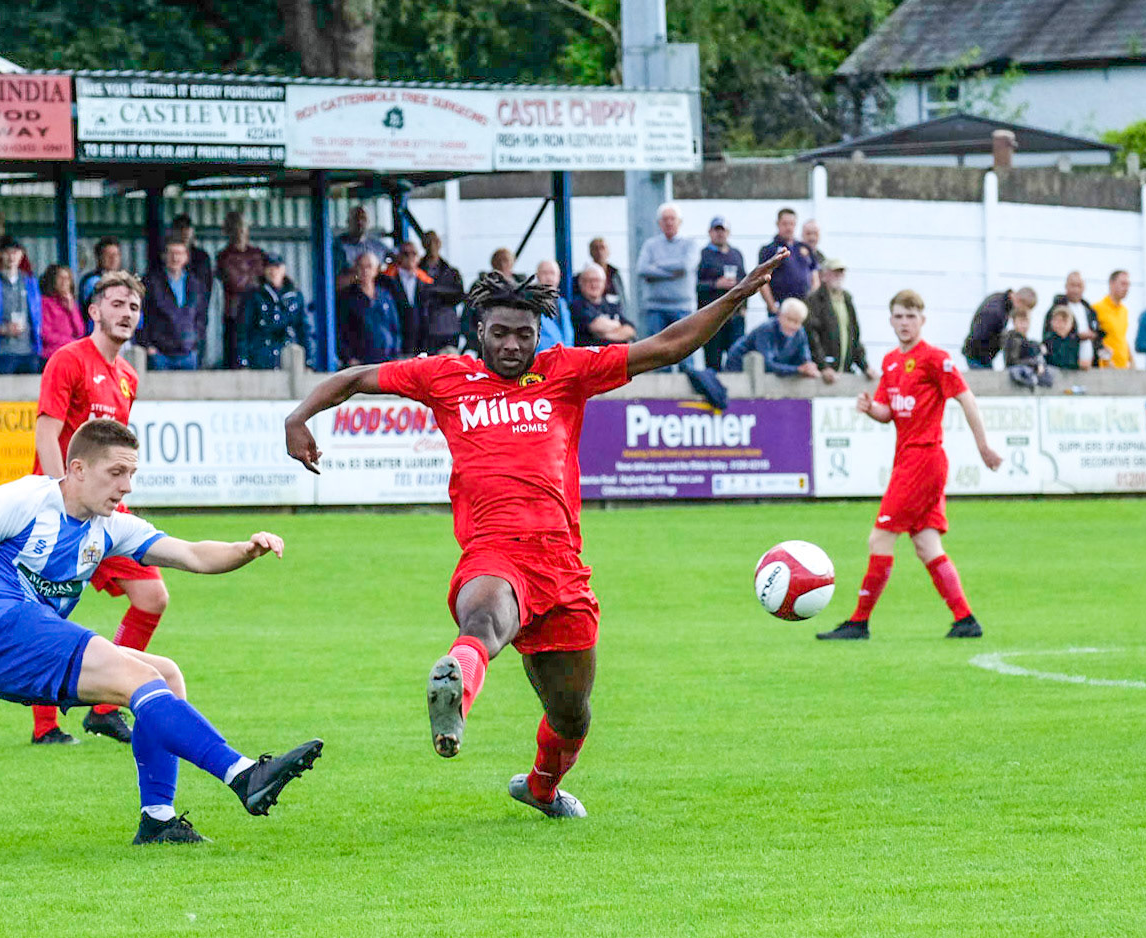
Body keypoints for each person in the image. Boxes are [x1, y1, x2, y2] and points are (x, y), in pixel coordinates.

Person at [282, 253, 788, 818]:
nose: (512, 345)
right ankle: (455, 686)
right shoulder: (445, 377)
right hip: (494, 552)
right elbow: (355, 378)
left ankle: (541, 788)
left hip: (562, 565)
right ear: (479, 330)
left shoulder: (565, 371)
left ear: (538, 335)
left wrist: (736, 296)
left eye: (524, 335)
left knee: (572, 715)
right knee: (483, 621)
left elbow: (666, 347)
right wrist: (297, 418)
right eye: (500, 333)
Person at [0, 417, 324, 846]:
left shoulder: (110, 527)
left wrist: (246, 549)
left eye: (131, 474)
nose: (126, 486)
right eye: (116, 473)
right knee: (140, 679)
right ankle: (243, 774)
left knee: (166, 675)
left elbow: (193, 555)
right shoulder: (21, 501)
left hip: (35, 646)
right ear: (77, 469)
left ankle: (157, 820)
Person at [816, 289, 1003, 642]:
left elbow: (966, 399)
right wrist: (870, 408)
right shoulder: (890, 362)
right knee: (927, 545)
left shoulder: (935, 358)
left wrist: (983, 446)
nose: (905, 323)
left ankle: (859, 622)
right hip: (907, 459)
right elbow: (888, 412)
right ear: (891, 320)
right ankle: (965, 619)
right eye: (899, 316)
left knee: (879, 538)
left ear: (922, 320)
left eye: (911, 316)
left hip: (924, 459)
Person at [28, 271, 162, 747]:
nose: (126, 313)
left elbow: (115, 452)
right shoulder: (68, 360)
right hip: (61, 507)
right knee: (49, 608)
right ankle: (45, 726)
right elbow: (47, 432)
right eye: (117, 304)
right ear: (94, 310)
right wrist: (58, 495)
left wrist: (120, 496)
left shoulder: (127, 378)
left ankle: (104, 709)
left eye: (134, 307)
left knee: (152, 597)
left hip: (104, 513)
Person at [0, 236, 42, 375]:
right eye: (7, 252)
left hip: (29, 352)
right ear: (0, 254)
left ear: (22, 255)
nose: (11, 257)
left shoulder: (30, 283)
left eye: (15, 252)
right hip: (1, 353)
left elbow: (38, 318)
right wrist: (2, 329)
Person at [141, 240, 207, 370]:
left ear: (186, 257)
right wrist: (147, 345)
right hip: (160, 354)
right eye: (171, 253)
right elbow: (141, 315)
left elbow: (201, 316)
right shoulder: (151, 283)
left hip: (188, 353)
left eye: (179, 253)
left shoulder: (195, 284)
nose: (175, 258)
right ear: (163, 256)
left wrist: (196, 342)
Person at [239, 253, 310, 369]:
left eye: (277, 267)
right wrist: (243, 362)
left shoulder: (295, 296)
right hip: (261, 357)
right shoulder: (254, 295)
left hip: (288, 355)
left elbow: (303, 329)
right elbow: (244, 329)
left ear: (283, 269)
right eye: (269, 268)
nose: (273, 272)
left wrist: (308, 362)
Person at [216, 211, 268, 368]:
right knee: (234, 359)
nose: (239, 230)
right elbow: (234, 282)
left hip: (258, 314)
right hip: (234, 315)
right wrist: (253, 281)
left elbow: (266, 281)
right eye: (235, 227)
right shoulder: (223, 256)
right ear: (227, 230)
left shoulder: (258, 254)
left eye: (242, 226)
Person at [803, 258, 870, 379]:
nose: (838, 276)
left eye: (841, 272)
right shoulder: (814, 299)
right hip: (823, 373)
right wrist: (823, 366)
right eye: (834, 272)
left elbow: (855, 335)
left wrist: (865, 367)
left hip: (845, 370)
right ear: (824, 276)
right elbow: (812, 336)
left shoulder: (847, 298)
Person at [724, 298, 823, 379]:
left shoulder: (800, 332)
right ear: (780, 315)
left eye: (797, 322)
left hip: (770, 373)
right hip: (739, 367)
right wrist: (797, 369)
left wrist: (809, 367)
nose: (793, 325)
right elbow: (767, 364)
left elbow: (804, 358)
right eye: (789, 319)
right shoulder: (766, 329)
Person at [636, 203, 693, 340]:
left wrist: (657, 265)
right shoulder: (650, 245)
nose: (669, 222)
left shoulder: (690, 244)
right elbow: (642, 269)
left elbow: (685, 266)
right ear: (659, 223)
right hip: (655, 309)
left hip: (682, 308)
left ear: (680, 221)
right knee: (655, 350)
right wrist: (673, 274)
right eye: (665, 219)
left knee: (684, 349)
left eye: (672, 218)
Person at [695, 216, 747, 369]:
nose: (720, 234)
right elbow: (694, 285)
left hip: (734, 316)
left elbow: (746, 281)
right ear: (710, 232)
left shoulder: (736, 254)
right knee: (713, 361)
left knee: (736, 360)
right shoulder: (703, 255)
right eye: (716, 230)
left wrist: (744, 307)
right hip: (712, 316)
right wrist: (715, 284)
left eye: (723, 230)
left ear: (728, 233)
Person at [335, 250, 400, 366]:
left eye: (369, 266)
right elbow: (340, 331)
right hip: (361, 363)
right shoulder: (347, 298)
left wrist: (395, 353)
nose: (365, 271)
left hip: (387, 361)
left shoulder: (385, 296)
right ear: (356, 269)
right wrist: (349, 358)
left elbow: (395, 327)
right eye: (361, 266)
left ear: (376, 270)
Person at [757, 208, 817, 315]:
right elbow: (762, 281)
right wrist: (772, 307)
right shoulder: (769, 250)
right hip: (781, 307)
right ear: (777, 224)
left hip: (804, 306)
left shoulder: (804, 248)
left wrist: (811, 303)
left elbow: (815, 278)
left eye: (792, 224)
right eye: (785, 224)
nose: (789, 228)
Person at [963, 286, 1037, 368]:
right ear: (1019, 301)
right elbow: (980, 335)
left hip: (980, 354)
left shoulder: (1000, 300)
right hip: (977, 355)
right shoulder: (996, 311)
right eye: (1023, 309)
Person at [1043, 271, 1105, 367]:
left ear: (1084, 288)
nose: (1076, 290)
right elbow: (1050, 339)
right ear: (1066, 286)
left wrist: (1100, 346)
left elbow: (1096, 335)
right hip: (1065, 366)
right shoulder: (1056, 309)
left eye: (1079, 286)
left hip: (1090, 366)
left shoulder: (1089, 310)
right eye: (1072, 285)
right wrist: (1077, 337)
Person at [419, 231, 466, 352]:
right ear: (423, 245)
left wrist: (435, 292)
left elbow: (459, 295)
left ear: (440, 244)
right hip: (426, 328)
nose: (432, 246)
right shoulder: (417, 271)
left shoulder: (451, 272)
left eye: (435, 242)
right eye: (428, 242)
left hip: (448, 327)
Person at [568, 264, 635, 346]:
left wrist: (606, 336)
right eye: (590, 280)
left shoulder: (612, 305)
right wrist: (617, 324)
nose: (594, 284)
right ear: (581, 282)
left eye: (597, 280)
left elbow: (630, 330)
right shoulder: (576, 306)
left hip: (616, 352)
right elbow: (596, 327)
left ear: (604, 283)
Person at [385, 237, 433, 352]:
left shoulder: (425, 282)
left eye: (414, 253)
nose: (410, 257)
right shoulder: (388, 281)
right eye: (406, 254)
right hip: (397, 340)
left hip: (420, 342)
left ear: (419, 257)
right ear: (399, 257)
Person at [334, 205, 390, 291]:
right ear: (348, 222)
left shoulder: (378, 246)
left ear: (368, 222)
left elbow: (397, 259)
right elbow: (336, 281)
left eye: (363, 218)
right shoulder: (338, 246)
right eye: (356, 218)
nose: (360, 222)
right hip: (349, 292)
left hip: (376, 293)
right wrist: (359, 276)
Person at [37, 265, 85, 362]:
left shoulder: (71, 302)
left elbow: (80, 332)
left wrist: (71, 310)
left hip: (70, 352)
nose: (64, 282)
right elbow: (46, 334)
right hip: (51, 354)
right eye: (60, 278)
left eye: (67, 278)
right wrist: (69, 341)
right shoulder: (45, 303)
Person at [1002, 309, 1052, 387]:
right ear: (1014, 322)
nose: (1024, 325)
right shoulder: (1013, 340)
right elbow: (1012, 362)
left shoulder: (1024, 340)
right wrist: (1035, 365)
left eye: (1027, 322)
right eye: (1021, 322)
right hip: (1015, 376)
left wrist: (1038, 346)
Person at [1094, 270, 1133, 368]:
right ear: (1111, 284)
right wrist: (1107, 360)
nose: (1126, 288)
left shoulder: (1124, 310)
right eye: (1123, 284)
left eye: (1128, 284)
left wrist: (1132, 361)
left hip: (1123, 367)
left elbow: (1122, 337)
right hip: (1106, 367)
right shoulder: (1097, 308)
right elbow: (1095, 339)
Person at [165, 214, 215, 291]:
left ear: (192, 231)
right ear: (173, 231)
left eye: (187, 228)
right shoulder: (166, 256)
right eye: (180, 228)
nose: (184, 231)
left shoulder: (202, 257)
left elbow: (208, 284)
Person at [534, 259, 574, 351]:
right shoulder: (531, 303)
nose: (549, 278)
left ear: (558, 277)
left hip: (566, 356)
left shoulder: (562, 304)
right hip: (542, 357)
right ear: (537, 276)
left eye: (552, 273)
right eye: (545, 273)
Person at [80, 236, 124, 308]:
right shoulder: (92, 281)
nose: (113, 258)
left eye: (116, 255)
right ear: (99, 257)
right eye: (108, 255)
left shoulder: (123, 279)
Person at [1042, 304, 1089, 370]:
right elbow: (1055, 361)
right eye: (1057, 321)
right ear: (1051, 322)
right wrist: (1078, 364)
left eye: (1064, 321)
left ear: (1071, 324)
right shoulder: (1048, 340)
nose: (1061, 324)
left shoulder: (1074, 340)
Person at [588, 237, 626, 306]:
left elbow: (622, 299)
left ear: (608, 251)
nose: (599, 252)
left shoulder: (614, 274)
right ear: (590, 252)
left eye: (602, 248)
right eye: (596, 248)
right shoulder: (585, 275)